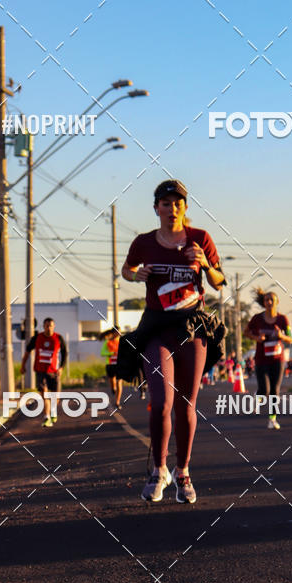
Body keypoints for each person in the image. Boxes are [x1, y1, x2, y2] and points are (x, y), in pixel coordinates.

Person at [121, 179, 225, 504]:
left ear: (185, 208)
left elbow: (219, 282)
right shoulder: (144, 242)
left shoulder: (200, 238)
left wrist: (206, 265)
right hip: (156, 329)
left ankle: (184, 472)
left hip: (192, 328)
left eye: (177, 203)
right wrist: (135, 275)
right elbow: (126, 269)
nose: (172, 209)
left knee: (185, 405)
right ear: (157, 208)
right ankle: (159, 470)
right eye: (165, 204)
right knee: (161, 402)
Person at [245, 289, 292, 429]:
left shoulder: (283, 319)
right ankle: (257, 397)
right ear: (264, 303)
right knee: (264, 390)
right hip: (261, 359)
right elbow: (246, 332)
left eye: (272, 299)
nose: (269, 302)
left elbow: (290, 339)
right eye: (267, 300)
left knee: (275, 390)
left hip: (278, 360)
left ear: (277, 302)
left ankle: (272, 419)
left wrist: (281, 336)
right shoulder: (257, 319)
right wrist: (256, 338)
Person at [21, 317, 67, 427]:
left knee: (56, 397)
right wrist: (23, 365)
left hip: (54, 372)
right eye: (46, 326)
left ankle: (53, 412)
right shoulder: (36, 338)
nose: (49, 328)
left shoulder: (59, 338)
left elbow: (65, 354)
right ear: (43, 326)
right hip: (40, 371)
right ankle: (46, 417)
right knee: (44, 394)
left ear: (54, 326)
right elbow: (27, 352)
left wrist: (61, 368)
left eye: (51, 326)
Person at [101, 328, 122, 408]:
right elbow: (102, 352)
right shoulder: (107, 342)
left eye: (119, 332)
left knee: (119, 382)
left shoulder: (121, 342)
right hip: (110, 364)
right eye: (117, 332)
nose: (119, 333)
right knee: (112, 381)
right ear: (113, 333)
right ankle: (113, 388)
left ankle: (117, 402)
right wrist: (112, 353)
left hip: (119, 365)